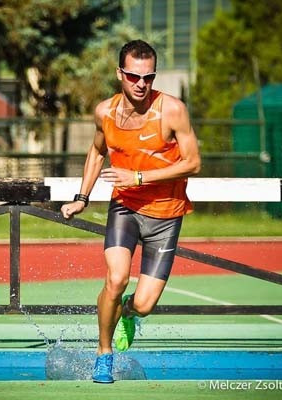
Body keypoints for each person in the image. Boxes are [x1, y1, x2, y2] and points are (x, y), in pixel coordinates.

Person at [61, 39, 201, 384]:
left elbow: (193, 163)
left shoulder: (172, 110)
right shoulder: (104, 112)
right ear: (119, 74)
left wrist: (139, 176)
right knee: (116, 278)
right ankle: (103, 354)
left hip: (166, 216)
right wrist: (81, 197)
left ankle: (127, 312)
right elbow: (97, 152)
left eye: (148, 77)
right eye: (134, 76)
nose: (141, 84)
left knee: (144, 305)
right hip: (125, 208)